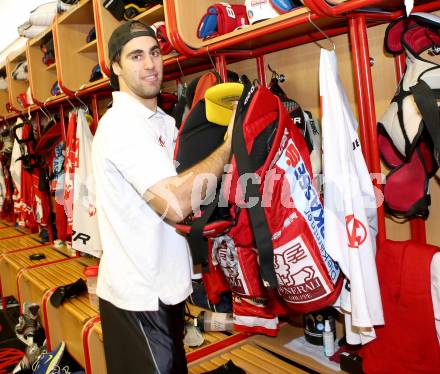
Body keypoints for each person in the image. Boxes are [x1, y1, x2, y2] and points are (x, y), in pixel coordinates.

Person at [92, 20, 235, 374]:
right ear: (115, 66)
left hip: (164, 292)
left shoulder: (162, 122)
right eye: (136, 56)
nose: (150, 64)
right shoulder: (120, 125)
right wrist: (231, 143)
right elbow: (176, 205)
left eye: (154, 52)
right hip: (138, 298)